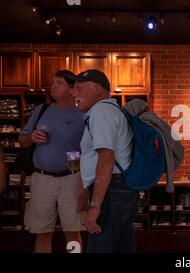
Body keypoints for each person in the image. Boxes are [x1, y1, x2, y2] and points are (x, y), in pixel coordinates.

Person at [19, 70, 85, 253]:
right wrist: (31, 136)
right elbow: (22, 141)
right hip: (42, 178)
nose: (53, 86)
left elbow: (92, 150)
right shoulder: (42, 110)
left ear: (72, 89)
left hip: (72, 179)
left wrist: (85, 182)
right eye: (53, 82)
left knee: (73, 231)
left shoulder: (83, 114)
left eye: (59, 83)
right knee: (42, 232)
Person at [71, 69, 137, 253]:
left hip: (111, 193)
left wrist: (95, 206)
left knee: (101, 247)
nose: (73, 93)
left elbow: (106, 158)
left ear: (97, 89)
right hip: (119, 190)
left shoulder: (101, 111)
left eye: (78, 88)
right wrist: (87, 189)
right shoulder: (113, 110)